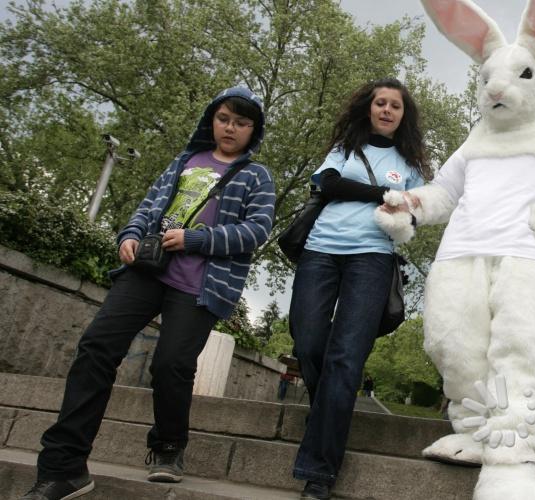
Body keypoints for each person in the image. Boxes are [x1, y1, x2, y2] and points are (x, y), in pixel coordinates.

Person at [21, 87, 275, 500]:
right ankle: (63, 467)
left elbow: (256, 230)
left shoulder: (256, 176)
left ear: (253, 130)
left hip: (200, 284)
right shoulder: (185, 161)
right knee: (96, 348)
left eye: (242, 123)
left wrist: (195, 239)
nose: (231, 128)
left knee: (171, 364)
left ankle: (168, 446)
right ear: (212, 118)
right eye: (225, 118)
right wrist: (130, 235)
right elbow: (148, 206)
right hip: (146, 270)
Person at [288, 78, 430, 500]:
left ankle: (319, 470)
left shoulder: (411, 164)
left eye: (395, 106)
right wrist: (385, 195)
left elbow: (414, 214)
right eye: (380, 103)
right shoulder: (344, 149)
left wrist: (401, 203)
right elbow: (328, 185)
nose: (386, 110)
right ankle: (328, 416)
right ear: (368, 108)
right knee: (308, 341)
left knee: (346, 358)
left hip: (373, 259)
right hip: (320, 252)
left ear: (404, 116)